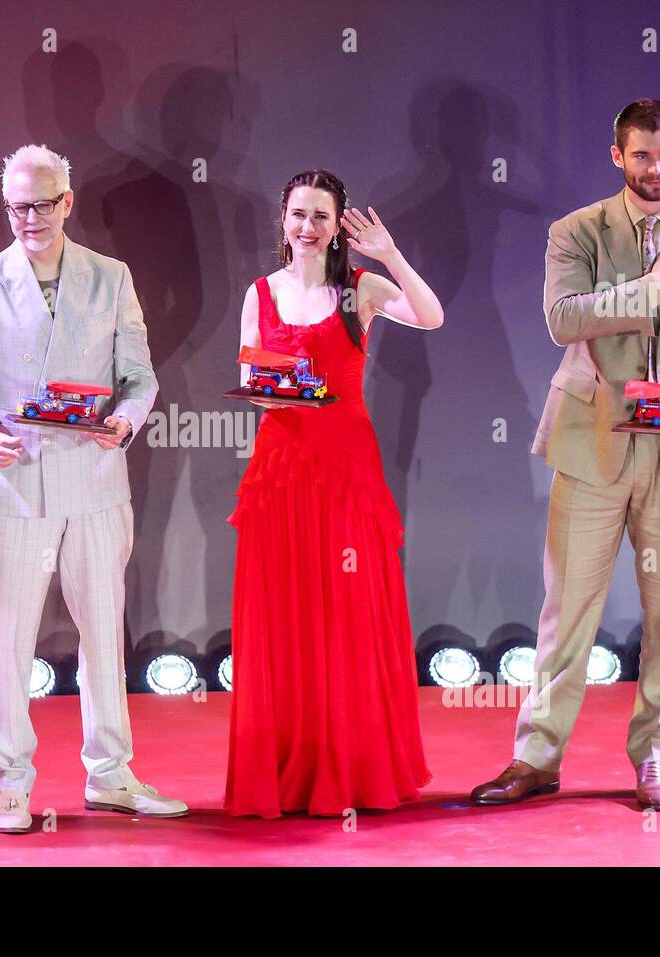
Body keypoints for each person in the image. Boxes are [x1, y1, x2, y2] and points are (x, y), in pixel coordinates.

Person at [470, 99, 660, 811]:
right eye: (640, 156)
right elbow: (561, 318)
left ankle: (655, 755)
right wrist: (649, 289)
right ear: (617, 157)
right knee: (567, 610)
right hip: (593, 446)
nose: (654, 168)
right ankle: (536, 756)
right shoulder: (577, 231)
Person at [0, 144, 187, 834]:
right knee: (9, 637)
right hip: (13, 483)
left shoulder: (111, 278)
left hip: (96, 480)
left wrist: (125, 421)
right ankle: (11, 783)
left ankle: (112, 775)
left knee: (104, 633)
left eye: (43, 205)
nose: (30, 219)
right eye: (18, 207)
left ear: (67, 202)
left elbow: (139, 377)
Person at [225, 169, 444, 818]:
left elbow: (431, 316)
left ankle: (350, 768)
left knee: (345, 618)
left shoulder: (361, 289)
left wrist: (391, 255)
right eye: (298, 214)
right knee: (286, 621)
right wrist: (285, 390)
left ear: (339, 222)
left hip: (347, 472)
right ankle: (291, 771)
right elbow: (252, 379)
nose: (307, 227)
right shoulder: (260, 293)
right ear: (282, 221)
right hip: (281, 473)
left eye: (321, 215)